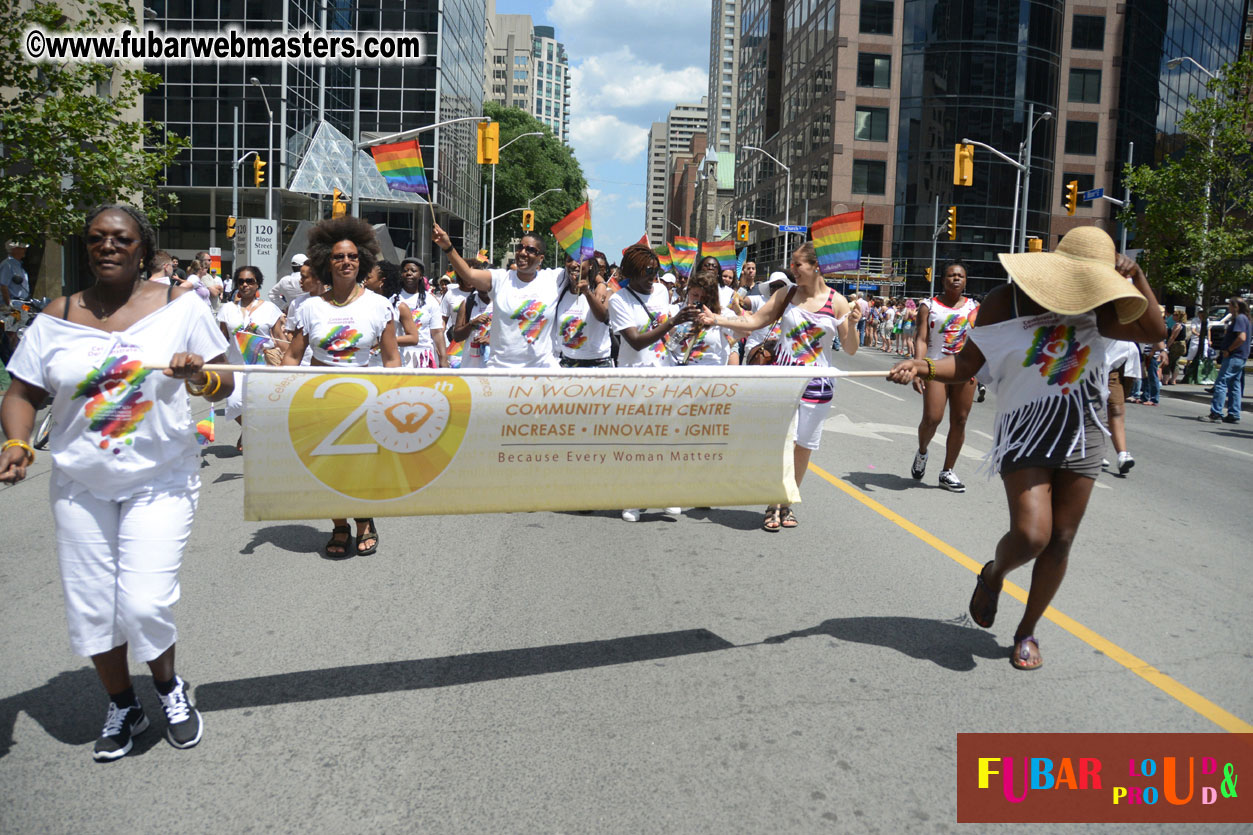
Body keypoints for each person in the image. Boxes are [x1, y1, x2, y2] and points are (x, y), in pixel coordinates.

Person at [0, 204, 235, 760]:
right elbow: (23, 392)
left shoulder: (181, 308)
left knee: (145, 600)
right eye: (97, 238)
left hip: (161, 478)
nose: (108, 246)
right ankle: (124, 703)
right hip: (80, 483)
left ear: (141, 249)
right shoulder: (56, 315)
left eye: (121, 239)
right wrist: (16, 442)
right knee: (93, 605)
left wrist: (199, 375)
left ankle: (168, 687)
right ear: (87, 246)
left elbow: (227, 379)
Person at [887, 226, 1164, 670]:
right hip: (1026, 430)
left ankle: (1026, 630)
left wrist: (1138, 279)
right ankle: (994, 574)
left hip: (1083, 431)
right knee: (1032, 535)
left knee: (1062, 540)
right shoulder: (1007, 300)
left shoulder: (1102, 307)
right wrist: (924, 364)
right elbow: (968, 362)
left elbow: (1154, 330)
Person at [702, 242, 861, 531]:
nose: (792, 269)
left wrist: (853, 322)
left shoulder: (836, 301)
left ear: (815, 267)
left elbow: (849, 348)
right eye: (792, 264)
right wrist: (716, 319)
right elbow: (753, 322)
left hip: (818, 386)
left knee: (803, 448)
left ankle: (786, 502)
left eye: (797, 264)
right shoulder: (786, 294)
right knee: (782, 444)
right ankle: (773, 503)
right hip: (784, 383)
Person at [282, 216, 400, 557]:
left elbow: (392, 360)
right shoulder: (309, 307)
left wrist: (394, 399)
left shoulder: (379, 306)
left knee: (360, 467)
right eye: (338, 257)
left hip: (364, 399)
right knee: (327, 467)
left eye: (351, 256)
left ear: (361, 260)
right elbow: (292, 356)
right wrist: (276, 390)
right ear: (324, 261)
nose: (345, 262)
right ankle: (339, 526)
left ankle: (364, 521)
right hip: (319, 399)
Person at [609, 244, 698, 522]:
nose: (652, 277)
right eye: (647, 272)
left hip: (665, 376)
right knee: (636, 444)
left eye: (655, 271)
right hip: (634, 381)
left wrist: (685, 330)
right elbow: (635, 342)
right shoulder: (619, 301)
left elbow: (665, 335)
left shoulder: (661, 291)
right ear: (631, 273)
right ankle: (632, 499)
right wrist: (673, 322)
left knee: (666, 440)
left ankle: (665, 493)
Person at [432, 223, 567, 368]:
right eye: (520, 247)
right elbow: (469, 274)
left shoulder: (554, 278)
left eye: (530, 250)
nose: (522, 252)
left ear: (541, 258)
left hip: (541, 370)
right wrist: (448, 247)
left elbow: (581, 267)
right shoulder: (500, 279)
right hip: (501, 369)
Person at [910, 262, 980, 492]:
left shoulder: (974, 307)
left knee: (959, 420)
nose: (956, 279)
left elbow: (980, 339)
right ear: (943, 280)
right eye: (951, 275)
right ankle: (922, 452)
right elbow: (921, 338)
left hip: (964, 369)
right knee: (932, 417)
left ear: (966, 280)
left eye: (960, 275)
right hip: (935, 367)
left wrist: (978, 367)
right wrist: (918, 368)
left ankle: (947, 471)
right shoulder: (928, 306)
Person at [217, 265, 285, 450]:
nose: (245, 285)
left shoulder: (270, 309)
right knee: (234, 402)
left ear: (258, 284)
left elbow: (280, 338)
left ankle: (254, 436)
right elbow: (221, 339)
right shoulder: (227, 309)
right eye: (241, 281)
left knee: (261, 406)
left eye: (250, 281)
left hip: (263, 366)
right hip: (236, 365)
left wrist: (293, 356)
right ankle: (249, 430)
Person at [556, 258, 613, 367]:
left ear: (590, 264)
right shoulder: (560, 290)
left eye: (579, 260)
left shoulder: (604, 292)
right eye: (569, 260)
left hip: (598, 364)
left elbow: (603, 316)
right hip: (567, 363)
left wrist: (587, 293)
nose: (573, 264)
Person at [1201, 297, 1249, 424]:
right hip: (1240, 356)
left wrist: (1229, 349)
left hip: (1234, 356)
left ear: (1236, 307)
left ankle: (1216, 413)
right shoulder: (1245, 319)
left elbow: (1242, 338)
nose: (1228, 308)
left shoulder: (1239, 318)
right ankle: (1234, 413)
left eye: (1230, 305)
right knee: (1235, 385)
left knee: (1221, 383)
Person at [394, 257, 448, 368]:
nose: (409, 273)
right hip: (398, 355)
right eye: (405, 271)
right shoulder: (393, 299)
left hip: (423, 357)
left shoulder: (430, 301)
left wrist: (443, 359)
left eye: (413, 271)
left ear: (421, 276)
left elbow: (437, 332)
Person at [1103, 339, 1141, 474]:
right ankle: (1098, 450)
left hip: (1120, 370)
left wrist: (1162, 349)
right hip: (1093, 368)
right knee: (1093, 412)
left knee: (1116, 410)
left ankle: (1122, 455)